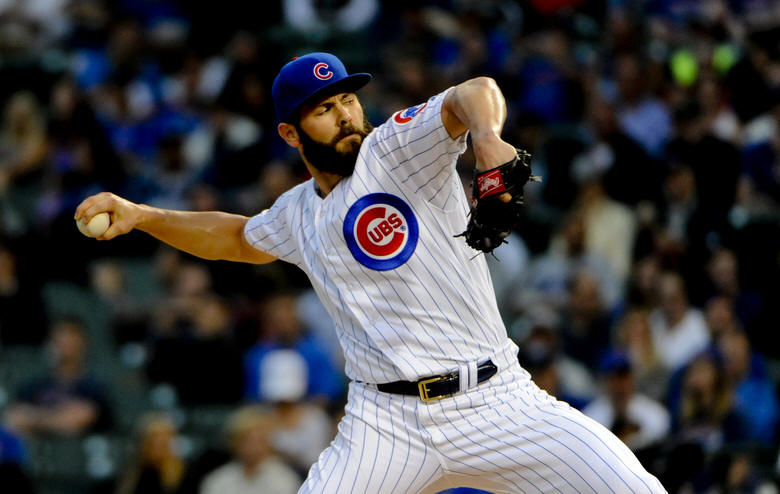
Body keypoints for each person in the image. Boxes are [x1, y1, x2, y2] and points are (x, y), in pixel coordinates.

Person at [76, 52, 665, 493]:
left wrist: (487, 138)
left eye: (348, 100)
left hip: (497, 399)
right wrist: (143, 216)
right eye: (324, 109)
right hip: (385, 423)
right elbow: (235, 237)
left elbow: (474, 92)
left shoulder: (394, 149)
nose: (345, 115)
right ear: (290, 133)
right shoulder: (297, 214)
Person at [199, 406, 301, 494]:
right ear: (234, 442)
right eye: (245, 440)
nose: (252, 446)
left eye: (259, 440)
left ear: (269, 443)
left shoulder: (285, 479)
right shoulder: (218, 479)